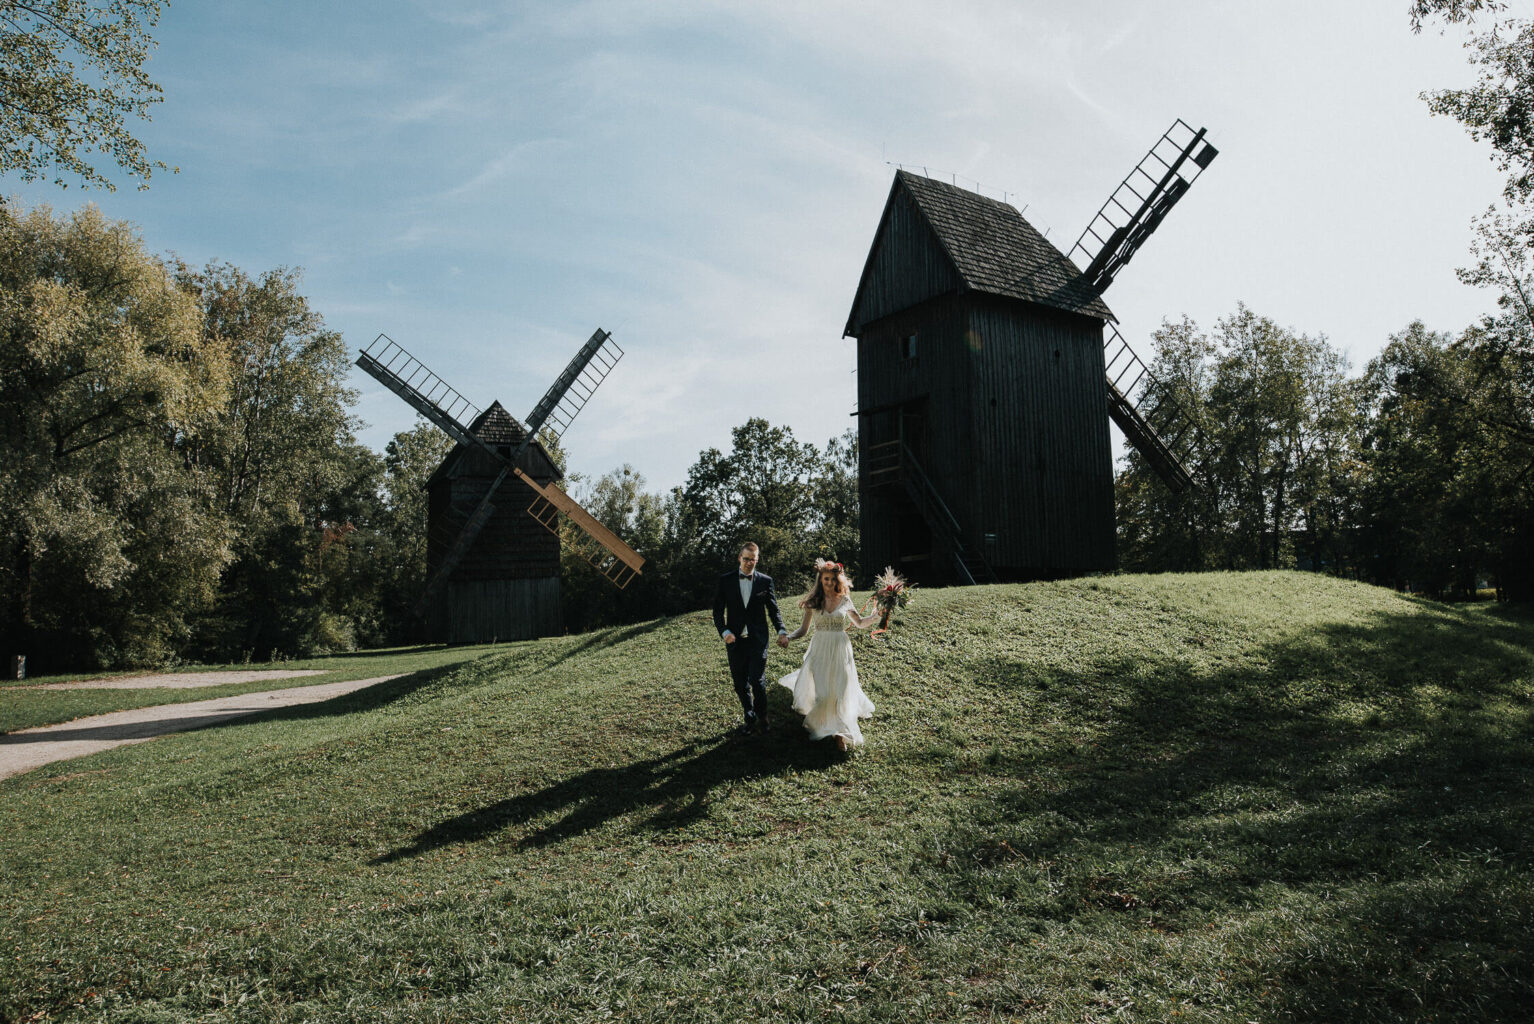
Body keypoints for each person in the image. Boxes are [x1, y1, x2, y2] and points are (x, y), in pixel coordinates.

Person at [776, 558, 876, 752]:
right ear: (820, 580)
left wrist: (876, 617)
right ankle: (824, 724)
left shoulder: (845, 600)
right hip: (820, 649)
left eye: (832, 579)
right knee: (824, 692)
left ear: (838, 580)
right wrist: (788, 637)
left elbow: (860, 623)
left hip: (840, 649)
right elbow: (803, 630)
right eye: (826, 579)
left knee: (841, 689)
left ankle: (840, 734)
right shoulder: (813, 603)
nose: (829, 583)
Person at [712, 542, 788, 736]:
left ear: (757, 559)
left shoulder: (765, 581)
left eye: (752, 559)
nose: (748, 563)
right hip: (735, 641)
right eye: (745, 559)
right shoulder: (726, 580)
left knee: (757, 680)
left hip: (758, 639)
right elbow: (718, 612)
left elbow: (773, 609)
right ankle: (749, 716)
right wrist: (725, 632)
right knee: (740, 683)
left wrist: (781, 630)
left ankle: (762, 716)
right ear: (739, 558)